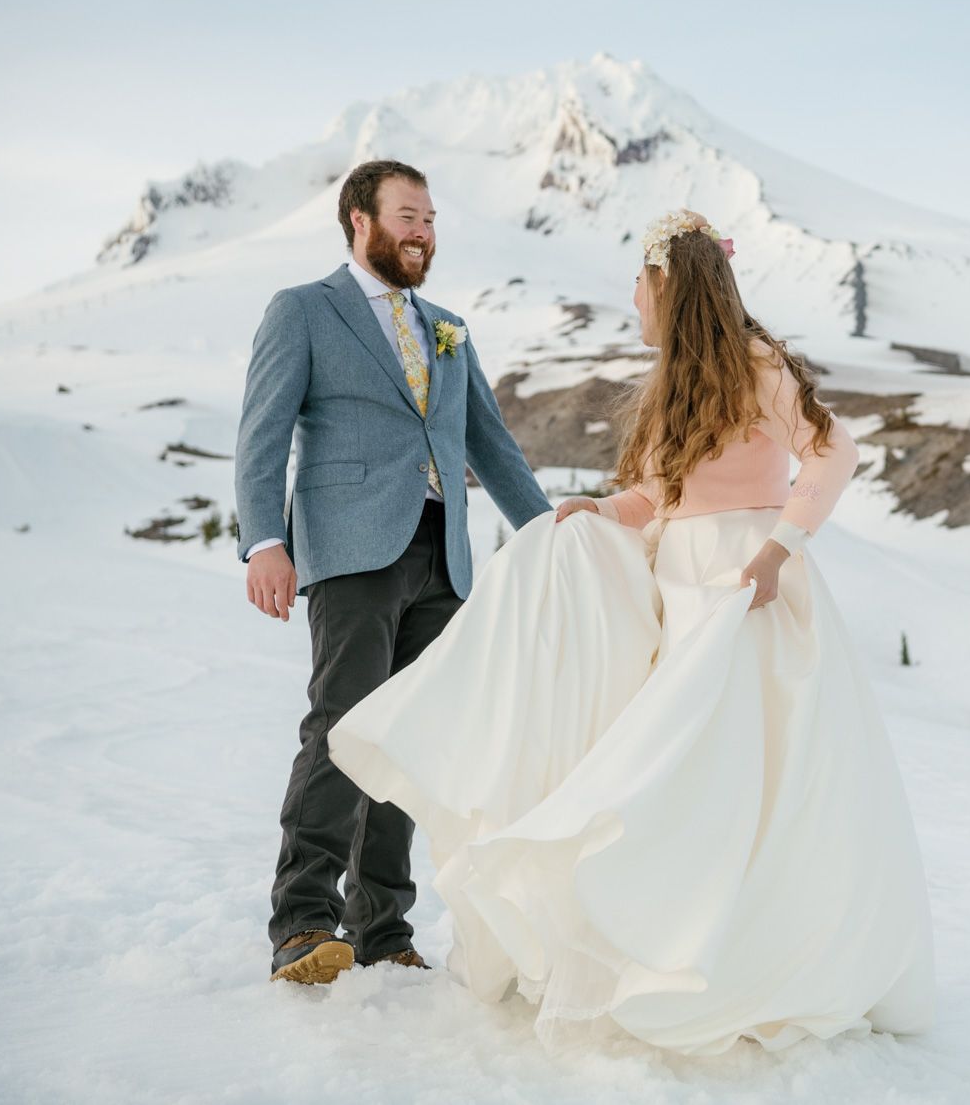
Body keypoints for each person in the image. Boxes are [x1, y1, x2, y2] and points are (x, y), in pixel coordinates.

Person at [326, 209, 935, 1055]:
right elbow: (658, 498)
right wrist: (596, 511)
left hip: (747, 592)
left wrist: (775, 551)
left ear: (670, 289)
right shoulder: (668, 385)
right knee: (676, 784)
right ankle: (662, 945)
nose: (633, 306)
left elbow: (832, 454)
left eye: (639, 289)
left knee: (748, 780)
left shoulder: (760, 365)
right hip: (678, 589)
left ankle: (752, 961)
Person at [233, 159, 552, 985]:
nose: (423, 233)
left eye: (433, 219)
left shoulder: (448, 325)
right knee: (343, 726)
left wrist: (549, 534)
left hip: (444, 557)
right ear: (359, 221)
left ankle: (383, 927)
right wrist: (265, 537)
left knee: (411, 742)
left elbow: (492, 442)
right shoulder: (304, 310)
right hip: (352, 549)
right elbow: (263, 433)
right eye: (408, 217)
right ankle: (303, 922)